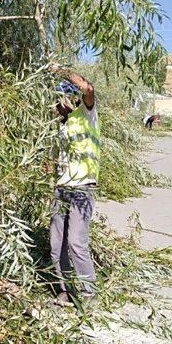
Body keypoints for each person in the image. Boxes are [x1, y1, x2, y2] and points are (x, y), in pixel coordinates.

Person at [47, 64, 100, 305]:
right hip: (62, 189)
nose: (59, 105)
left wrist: (61, 70)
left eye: (62, 99)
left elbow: (89, 89)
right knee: (56, 244)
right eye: (56, 101)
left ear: (71, 98)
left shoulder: (87, 114)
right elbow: (55, 158)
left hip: (82, 189)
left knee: (76, 241)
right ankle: (64, 291)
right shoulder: (61, 125)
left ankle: (89, 294)